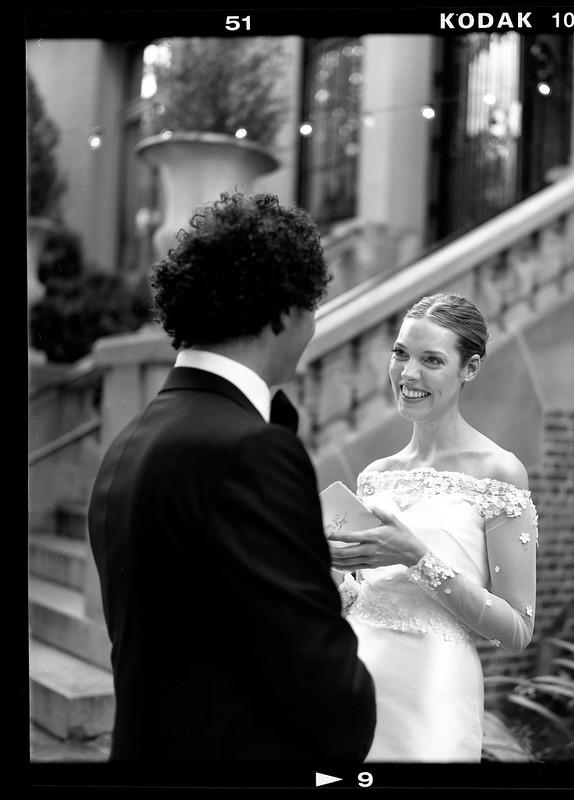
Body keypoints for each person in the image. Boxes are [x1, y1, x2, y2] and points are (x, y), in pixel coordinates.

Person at [87, 191, 376, 761]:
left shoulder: (130, 442)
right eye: (314, 306)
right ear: (286, 312)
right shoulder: (250, 451)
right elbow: (329, 695)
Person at [328, 293, 538, 762]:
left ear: (471, 369)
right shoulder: (376, 474)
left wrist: (416, 556)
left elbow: (518, 629)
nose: (408, 374)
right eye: (401, 353)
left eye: (432, 360)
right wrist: (329, 567)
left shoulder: (500, 473)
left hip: (433, 692)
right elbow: (358, 597)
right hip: (355, 678)